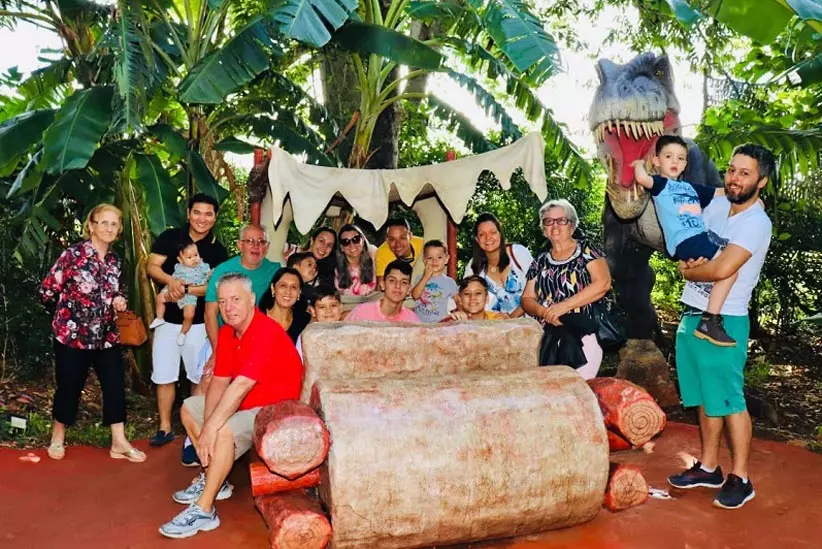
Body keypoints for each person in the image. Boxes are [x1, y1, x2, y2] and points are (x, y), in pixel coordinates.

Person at [666, 144, 774, 511]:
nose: (734, 178)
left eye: (745, 173)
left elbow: (723, 268)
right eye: (731, 170)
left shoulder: (756, 222)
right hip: (693, 314)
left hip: (725, 321)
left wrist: (688, 271)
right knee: (704, 398)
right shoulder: (715, 205)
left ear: (761, 180)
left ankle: (741, 478)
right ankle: (709, 467)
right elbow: (684, 238)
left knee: (729, 400)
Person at [159, 273, 303, 538]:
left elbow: (240, 387)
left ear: (251, 300)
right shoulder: (228, 332)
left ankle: (204, 510)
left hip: (276, 411)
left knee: (223, 430)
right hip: (247, 404)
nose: (228, 307)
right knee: (189, 407)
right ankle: (215, 478)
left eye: (235, 299)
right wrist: (207, 426)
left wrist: (211, 429)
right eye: (223, 301)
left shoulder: (265, 330)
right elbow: (219, 382)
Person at [39, 204, 145, 463]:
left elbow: (117, 291)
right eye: (103, 222)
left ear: (119, 229)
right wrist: (66, 316)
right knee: (69, 386)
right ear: (91, 226)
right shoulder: (73, 255)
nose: (109, 228)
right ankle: (57, 436)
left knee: (115, 385)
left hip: (107, 336)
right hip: (72, 336)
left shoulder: (115, 261)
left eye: (114, 224)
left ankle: (119, 441)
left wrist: (119, 300)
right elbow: (48, 290)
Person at [181, 224, 279, 466]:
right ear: (240, 245)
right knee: (208, 378)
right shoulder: (224, 270)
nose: (255, 246)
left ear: (267, 246)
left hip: (256, 339)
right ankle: (195, 439)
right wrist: (217, 351)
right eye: (250, 241)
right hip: (221, 336)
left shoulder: (275, 270)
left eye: (261, 242)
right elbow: (210, 313)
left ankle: (219, 440)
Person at [633, 135, 736, 346]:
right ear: (657, 161)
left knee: (721, 268)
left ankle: (708, 314)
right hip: (686, 240)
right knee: (730, 269)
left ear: (685, 164)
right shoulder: (661, 185)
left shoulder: (691, 188)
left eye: (680, 158)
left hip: (700, 237)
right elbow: (643, 179)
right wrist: (638, 164)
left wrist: (746, 194)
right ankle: (710, 320)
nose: (675, 161)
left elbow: (720, 192)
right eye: (668, 156)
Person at [147, 194, 228, 448]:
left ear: (215, 217)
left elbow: (215, 286)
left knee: (198, 376)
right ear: (188, 213)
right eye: (197, 212)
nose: (202, 219)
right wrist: (171, 281)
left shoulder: (218, 250)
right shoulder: (171, 237)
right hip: (166, 322)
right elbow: (152, 266)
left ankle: (194, 432)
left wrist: (185, 290)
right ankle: (164, 428)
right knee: (164, 375)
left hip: (200, 324)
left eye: (208, 214)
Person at [520, 200, 612, 380]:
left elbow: (603, 283)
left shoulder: (586, 250)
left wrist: (563, 307)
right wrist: (544, 312)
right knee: (552, 389)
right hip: (548, 337)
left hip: (583, 334)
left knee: (579, 386)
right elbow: (527, 298)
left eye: (561, 220)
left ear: (572, 225)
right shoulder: (540, 261)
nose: (555, 226)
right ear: (543, 229)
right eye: (549, 221)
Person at [463, 212, 533, 317]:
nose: (488, 237)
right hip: (492, 326)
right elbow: (464, 299)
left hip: (530, 324)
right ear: (477, 240)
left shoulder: (518, 253)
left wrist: (511, 318)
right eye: (482, 234)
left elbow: (537, 290)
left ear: (500, 234)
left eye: (493, 232)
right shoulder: (473, 267)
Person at [149, 238, 211, 346]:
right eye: (189, 257)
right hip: (173, 287)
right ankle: (159, 317)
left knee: (189, 315)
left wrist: (210, 273)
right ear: (180, 260)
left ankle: (183, 333)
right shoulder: (178, 267)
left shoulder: (203, 266)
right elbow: (170, 277)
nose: (194, 259)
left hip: (190, 293)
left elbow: (210, 280)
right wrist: (172, 283)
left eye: (196, 255)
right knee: (160, 298)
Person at [346, 259, 421, 322]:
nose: (398, 286)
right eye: (392, 281)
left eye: (404, 282)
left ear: (409, 289)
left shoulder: (412, 320)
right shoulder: (362, 312)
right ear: (382, 285)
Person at [259, 267, 312, 343]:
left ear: (299, 292)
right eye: (283, 285)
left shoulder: (304, 321)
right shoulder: (257, 319)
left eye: (294, 287)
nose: (288, 292)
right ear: (273, 288)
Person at [411, 240, 458, 323]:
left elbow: (458, 301)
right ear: (424, 260)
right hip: (420, 323)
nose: (434, 261)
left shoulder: (450, 282)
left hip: (440, 323)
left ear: (446, 259)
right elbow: (415, 296)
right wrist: (425, 277)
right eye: (430, 258)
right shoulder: (420, 278)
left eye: (439, 257)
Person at [374, 218, 423, 284]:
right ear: (387, 239)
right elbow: (381, 285)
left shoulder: (423, 244)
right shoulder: (382, 253)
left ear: (410, 236)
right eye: (392, 239)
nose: (398, 244)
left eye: (402, 238)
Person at [335, 224, 377, 297]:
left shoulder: (374, 258)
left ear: (362, 241)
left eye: (356, 239)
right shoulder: (336, 269)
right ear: (341, 247)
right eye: (346, 242)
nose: (352, 245)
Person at [443, 276, 507, 321]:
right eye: (467, 294)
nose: (472, 297)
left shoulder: (497, 320)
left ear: (487, 298)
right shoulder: (452, 321)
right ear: (460, 299)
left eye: (478, 293)